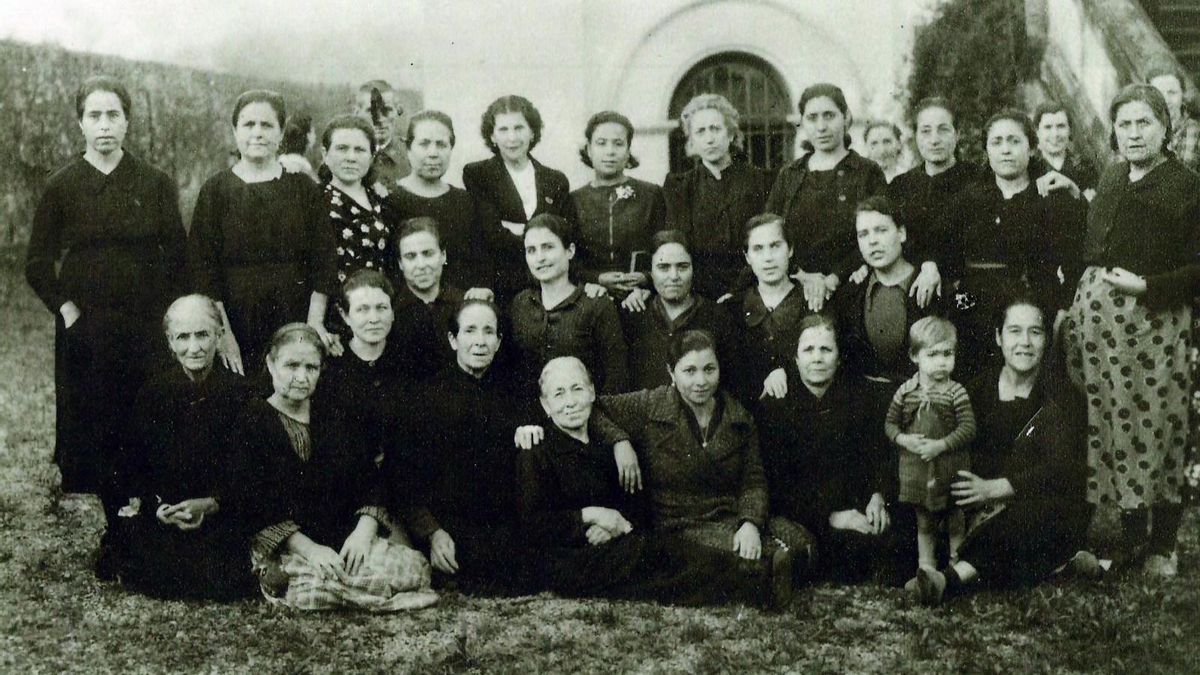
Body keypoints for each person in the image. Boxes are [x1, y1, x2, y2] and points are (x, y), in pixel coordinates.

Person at [25, 76, 187, 574]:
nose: (104, 126)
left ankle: (149, 523)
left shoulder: (153, 182)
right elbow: (37, 263)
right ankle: (117, 531)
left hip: (145, 327)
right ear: (80, 123)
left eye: (113, 115)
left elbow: (177, 256)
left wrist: (170, 318)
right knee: (101, 426)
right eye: (94, 116)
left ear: (127, 121)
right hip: (90, 332)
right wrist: (70, 313)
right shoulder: (62, 184)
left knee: (147, 419)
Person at [1064, 84, 1200, 577]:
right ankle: (1128, 536)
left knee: (1156, 427)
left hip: (1154, 328)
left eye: (1144, 122)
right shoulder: (1114, 173)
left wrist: (1148, 285)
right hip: (1103, 330)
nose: (1134, 132)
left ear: (1167, 128)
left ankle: (1162, 544)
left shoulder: (1187, 186)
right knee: (1110, 428)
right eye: (1124, 124)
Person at [518, 357, 777, 607]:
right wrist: (590, 517)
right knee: (652, 564)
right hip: (570, 556)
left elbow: (636, 499)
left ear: (592, 392)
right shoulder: (538, 451)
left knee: (665, 556)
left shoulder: (609, 445)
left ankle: (755, 576)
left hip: (617, 541)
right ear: (545, 405)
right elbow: (533, 525)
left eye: (577, 389)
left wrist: (614, 526)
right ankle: (751, 582)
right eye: (559, 394)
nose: (571, 402)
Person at [599, 330, 815, 599]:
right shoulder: (650, 405)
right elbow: (596, 408)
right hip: (680, 523)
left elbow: (753, 480)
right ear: (671, 372)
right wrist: (620, 441)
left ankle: (775, 570)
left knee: (801, 541)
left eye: (709, 369)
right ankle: (768, 576)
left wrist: (749, 523)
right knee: (746, 557)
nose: (700, 381)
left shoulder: (738, 418)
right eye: (689, 371)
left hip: (729, 513)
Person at [238, 323, 436, 611]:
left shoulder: (334, 415)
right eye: (291, 365)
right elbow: (255, 502)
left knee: (413, 568)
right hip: (287, 545)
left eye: (311, 368)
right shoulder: (253, 421)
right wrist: (311, 550)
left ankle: (367, 593)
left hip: (340, 534)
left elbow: (370, 480)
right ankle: (384, 601)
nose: (301, 377)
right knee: (308, 591)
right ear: (271, 364)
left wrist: (363, 533)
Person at [913, 296, 1093, 604]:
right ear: (998, 337)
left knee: (1031, 520)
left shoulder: (1063, 396)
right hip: (981, 505)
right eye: (1014, 331)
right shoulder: (975, 390)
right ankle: (1059, 564)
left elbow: (1060, 469)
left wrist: (996, 489)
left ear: (1047, 339)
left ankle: (952, 578)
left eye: (1035, 332)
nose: (1025, 342)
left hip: (1037, 502)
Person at [109, 295, 256, 599]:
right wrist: (161, 508)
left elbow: (251, 473)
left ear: (219, 335)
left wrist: (213, 503)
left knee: (225, 573)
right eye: (183, 337)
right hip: (171, 513)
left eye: (203, 335)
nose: (194, 347)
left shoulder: (243, 396)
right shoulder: (153, 394)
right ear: (169, 342)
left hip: (223, 513)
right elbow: (138, 468)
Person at [188, 89, 339, 375]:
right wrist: (223, 335)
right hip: (236, 323)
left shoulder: (303, 189)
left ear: (281, 133)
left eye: (267, 125)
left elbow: (324, 259)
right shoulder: (215, 191)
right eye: (248, 125)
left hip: (294, 317)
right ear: (235, 132)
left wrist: (311, 326)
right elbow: (203, 270)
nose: (257, 133)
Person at [937, 109, 1085, 378]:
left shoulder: (1053, 198)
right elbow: (949, 265)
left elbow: (1075, 263)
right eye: (997, 142)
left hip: (1036, 312)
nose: (1005, 150)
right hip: (976, 312)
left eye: (1014, 141)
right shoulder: (967, 201)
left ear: (1031, 148)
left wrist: (1059, 312)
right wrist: (964, 305)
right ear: (987, 151)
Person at [756, 315, 904, 584]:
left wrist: (878, 495)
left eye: (826, 349)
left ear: (838, 357)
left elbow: (879, 455)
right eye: (808, 350)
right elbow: (778, 484)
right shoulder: (777, 406)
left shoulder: (861, 398)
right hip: (806, 512)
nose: (817, 358)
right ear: (796, 358)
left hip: (857, 503)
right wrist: (832, 516)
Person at [764, 83, 887, 312]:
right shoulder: (789, 175)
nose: (821, 126)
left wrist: (834, 278)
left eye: (829, 115)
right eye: (812, 118)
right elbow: (768, 231)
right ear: (802, 123)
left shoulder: (867, 172)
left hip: (852, 289)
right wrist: (801, 275)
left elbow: (881, 231)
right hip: (796, 288)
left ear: (846, 117)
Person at [315, 270, 439, 464]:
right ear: (345, 315)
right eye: (362, 309)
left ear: (392, 312)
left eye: (381, 308)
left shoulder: (410, 362)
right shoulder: (332, 368)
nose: (374, 319)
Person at [884, 317, 976, 577]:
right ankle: (926, 570)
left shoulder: (956, 392)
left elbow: (968, 429)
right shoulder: (905, 392)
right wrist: (905, 440)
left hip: (950, 468)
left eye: (947, 354)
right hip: (918, 470)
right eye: (932, 354)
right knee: (924, 523)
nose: (941, 362)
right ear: (915, 356)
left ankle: (956, 571)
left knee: (956, 520)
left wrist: (941, 445)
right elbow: (890, 426)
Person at [463, 95, 573, 303]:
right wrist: (541, 235)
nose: (512, 138)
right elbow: (490, 234)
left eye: (519, 128)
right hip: (501, 288)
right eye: (503, 130)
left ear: (532, 132)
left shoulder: (555, 180)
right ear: (492, 136)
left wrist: (516, 228)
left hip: (551, 289)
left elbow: (565, 235)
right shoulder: (478, 174)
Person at [663, 94, 772, 300]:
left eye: (715, 129)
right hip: (699, 294)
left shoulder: (760, 181)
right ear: (692, 141)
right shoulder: (679, 187)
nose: (709, 138)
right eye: (701, 132)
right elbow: (679, 248)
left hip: (752, 289)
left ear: (730, 134)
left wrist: (737, 291)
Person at [510, 214, 629, 394]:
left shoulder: (596, 305)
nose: (540, 258)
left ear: (570, 251)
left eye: (548, 247)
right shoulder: (521, 303)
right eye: (531, 250)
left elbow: (615, 377)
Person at [887, 97, 982, 309]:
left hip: (964, 292)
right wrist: (926, 264)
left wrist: (934, 263)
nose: (934, 139)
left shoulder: (977, 179)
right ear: (916, 136)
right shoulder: (900, 186)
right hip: (910, 290)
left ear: (957, 134)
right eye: (926, 131)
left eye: (943, 130)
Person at [619, 230, 741, 393]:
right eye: (664, 267)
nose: (674, 276)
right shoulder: (634, 314)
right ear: (651, 272)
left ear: (693, 269)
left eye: (682, 267)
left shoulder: (717, 316)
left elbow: (732, 384)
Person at [389, 110, 489, 293]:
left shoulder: (465, 201)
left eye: (441, 144)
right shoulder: (389, 199)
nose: (433, 153)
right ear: (408, 149)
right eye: (424, 144)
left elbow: (478, 264)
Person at [570, 111, 666, 297]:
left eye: (618, 143)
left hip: (643, 297)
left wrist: (646, 277)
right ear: (589, 149)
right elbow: (568, 261)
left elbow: (666, 248)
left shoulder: (651, 195)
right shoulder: (573, 201)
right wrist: (597, 278)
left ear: (628, 150)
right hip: (591, 298)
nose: (610, 151)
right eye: (601, 143)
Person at [733, 214, 809, 402]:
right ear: (747, 257)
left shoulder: (811, 302)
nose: (768, 258)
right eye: (758, 249)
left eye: (775, 246)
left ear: (790, 249)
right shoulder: (733, 309)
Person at [319, 114, 392, 284]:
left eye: (360, 150)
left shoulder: (380, 201)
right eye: (342, 148)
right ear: (325, 154)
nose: (351, 157)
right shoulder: (315, 200)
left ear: (372, 157)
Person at [1032, 102, 1097, 200]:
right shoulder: (1030, 168)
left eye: (1061, 126)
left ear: (1069, 130)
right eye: (1048, 127)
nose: (1055, 134)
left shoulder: (1085, 166)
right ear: (1037, 132)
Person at [355, 79, 410, 191]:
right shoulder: (344, 155)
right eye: (371, 111)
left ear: (397, 111)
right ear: (357, 113)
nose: (379, 119)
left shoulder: (411, 155)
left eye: (387, 110)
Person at [1147, 64, 1199, 172]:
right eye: (1158, 93)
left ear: (1183, 95)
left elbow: (1180, 179)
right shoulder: (1140, 128)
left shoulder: (1192, 130)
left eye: (1172, 93)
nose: (1166, 100)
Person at [278, 113, 317, 181]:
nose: (315, 136)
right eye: (313, 132)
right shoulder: (302, 165)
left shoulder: (281, 160)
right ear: (307, 135)